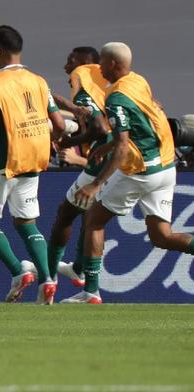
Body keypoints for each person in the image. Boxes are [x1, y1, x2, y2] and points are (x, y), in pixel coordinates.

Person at [63, 42, 194, 304]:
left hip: (140, 170)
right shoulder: (138, 80)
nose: (100, 68)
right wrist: (108, 145)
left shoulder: (116, 97)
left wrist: (96, 184)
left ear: (112, 64)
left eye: (102, 63)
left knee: (94, 221)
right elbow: (145, 122)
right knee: (162, 236)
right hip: (165, 167)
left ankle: (90, 292)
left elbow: (123, 147)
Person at [0, 25, 65, 305]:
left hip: (3, 161)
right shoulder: (39, 81)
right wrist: (50, 141)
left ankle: (19, 271)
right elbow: (59, 124)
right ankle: (48, 279)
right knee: (27, 223)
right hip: (34, 159)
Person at [46, 47, 111, 291]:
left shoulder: (83, 82)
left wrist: (68, 142)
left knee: (66, 214)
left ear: (84, 63)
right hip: (131, 162)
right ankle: (80, 271)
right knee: (92, 218)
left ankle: (49, 274)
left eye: (70, 61)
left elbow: (100, 129)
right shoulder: (105, 85)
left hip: (104, 163)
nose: (66, 67)